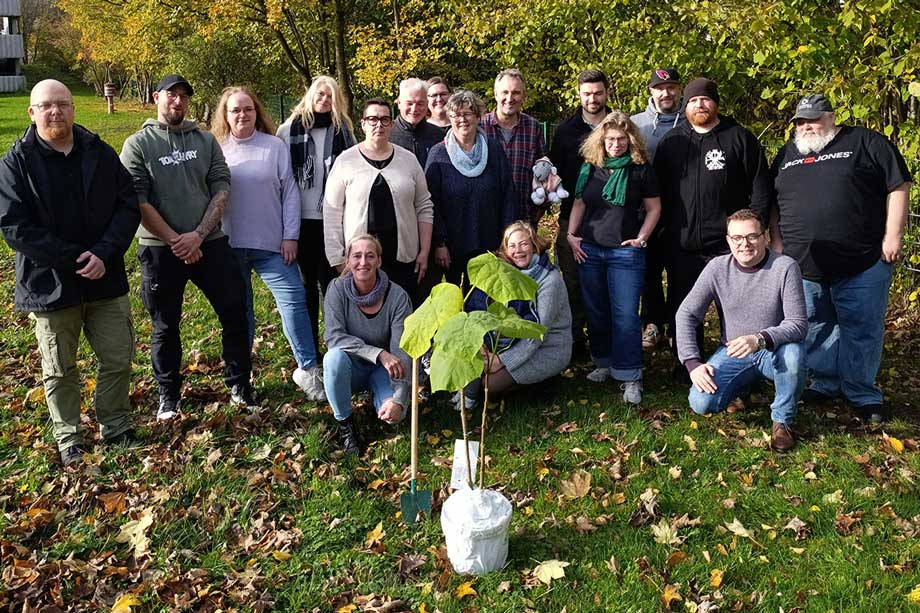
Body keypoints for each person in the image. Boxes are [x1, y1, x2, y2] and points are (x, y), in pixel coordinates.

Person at [0, 79, 141, 466]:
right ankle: (70, 438)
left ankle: (116, 426)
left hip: (105, 279)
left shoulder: (99, 152)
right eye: (46, 105)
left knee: (116, 357)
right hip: (51, 284)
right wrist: (75, 258)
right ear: (32, 112)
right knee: (60, 367)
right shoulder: (16, 163)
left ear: (73, 109)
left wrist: (104, 253)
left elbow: (127, 206)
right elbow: (14, 227)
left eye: (62, 104)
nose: (55, 111)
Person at [771, 94, 912, 423]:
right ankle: (825, 382)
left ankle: (861, 391)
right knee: (817, 327)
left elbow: (898, 185)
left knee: (862, 328)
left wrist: (893, 235)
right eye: (800, 121)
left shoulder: (865, 142)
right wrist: (776, 241)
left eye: (814, 119)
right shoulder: (786, 154)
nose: (807, 126)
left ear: (832, 117)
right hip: (802, 264)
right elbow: (773, 203)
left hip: (862, 261)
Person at [121, 74, 254, 420]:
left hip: (209, 242)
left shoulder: (205, 140)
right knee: (165, 325)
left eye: (183, 96)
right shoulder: (138, 144)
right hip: (160, 250)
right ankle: (168, 395)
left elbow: (221, 186)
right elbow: (137, 199)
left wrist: (197, 234)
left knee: (235, 312)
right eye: (171, 95)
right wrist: (175, 240)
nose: (177, 101)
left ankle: (239, 384)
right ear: (156, 98)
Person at [212, 86, 326, 401]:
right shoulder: (216, 148)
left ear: (256, 111)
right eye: (235, 110)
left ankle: (308, 369)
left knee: (294, 302)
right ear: (225, 114)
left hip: (272, 246)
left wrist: (291, 236)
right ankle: (241, 378)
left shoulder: (273, 146)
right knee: (241, 313)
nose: (242, 115)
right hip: (230, 246)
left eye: (247, 109)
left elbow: (290, 193)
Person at [654, 78, 772, 381]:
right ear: (685, 104)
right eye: (693, 101)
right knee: (685, 308)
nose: (699, 105)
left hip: (728, 246)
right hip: (683, 245)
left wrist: (753, 231)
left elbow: (760, 187)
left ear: (715, 103)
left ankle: (740, 370)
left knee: (734, 311)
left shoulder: (739, 138)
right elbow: (657, 192)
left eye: (705, 100)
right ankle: (687, 366)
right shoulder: (672, 142)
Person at [676, 209, 807, 451]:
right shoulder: (717, 268)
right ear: (728, 240)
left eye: (752, 237)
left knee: (794, 355)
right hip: (734, 351)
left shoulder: (785, 267)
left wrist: (759, 338)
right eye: (737, 238)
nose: (744, 244)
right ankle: (743, 387)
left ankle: (783, 421)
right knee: (700, 402)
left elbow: (798, 324)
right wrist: (692, 363)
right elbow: (686, 313)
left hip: (773, 350)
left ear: (765, 237)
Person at [565, 111, 661, 404]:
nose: (616, 145)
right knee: (596, 310)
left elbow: (655, 208)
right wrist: (571, 235)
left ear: (630, 139)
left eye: (621, 139)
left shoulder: (640, 169)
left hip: (625, 252)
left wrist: (642, 238)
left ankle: (630, 374)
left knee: (625, 315)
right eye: (610, 139)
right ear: (601, 140)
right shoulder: (590, 167)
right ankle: (605, 362)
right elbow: (579, 203)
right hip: (590, 250)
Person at [277, 75, 356, 358]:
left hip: (333, 219)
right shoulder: (288, 130)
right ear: (311, 96)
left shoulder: (344, 131)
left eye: (330, 96)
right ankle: (310, 348)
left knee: (332, 285)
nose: (324, 100)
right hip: (300, 220)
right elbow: (281, 178)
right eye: (320, 94)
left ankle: (337, 345)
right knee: (305, 285)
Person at [323, 98, 434, 297]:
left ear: (391, 124)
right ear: (363, 124)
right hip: (361, 263)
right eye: (372, 119)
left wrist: (424, 252)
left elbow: (424, 206)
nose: (378, 125)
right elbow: (332, 211)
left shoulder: (408, 160)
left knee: (404, 319)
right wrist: (338, 259)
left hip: (403, 259)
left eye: (384, 120)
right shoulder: (345, 161)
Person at [458, 221, 573, 408]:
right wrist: (484, 350)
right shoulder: (505, 273)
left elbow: (537, 334)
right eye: (512, 245)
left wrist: (502, 361)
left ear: (534, 245)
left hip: (548, 348)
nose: (518, 250)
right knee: (477, 372)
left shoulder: (550, 281)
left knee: (490, 385)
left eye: (524, 244)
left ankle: (541, 383)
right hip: (511, 343)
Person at [323, 235, 413, 456]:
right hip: (350, 367)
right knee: (332, 358)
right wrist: (379, 353)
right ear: (348, 260)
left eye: (370, 256)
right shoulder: (336, 289)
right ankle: (346, 424)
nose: (363, 262)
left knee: (396, 418)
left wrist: (400, 399)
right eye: (357, 256)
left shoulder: (398, 297)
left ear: (379, 261)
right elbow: (334, 337)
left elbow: (403, 352)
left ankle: (379, 401)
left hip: (385, 371)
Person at [426, 89, 517, 284]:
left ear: (478, 116)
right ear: (449, 118)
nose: (462, 119)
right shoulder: (438, 154)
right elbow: (431, 203)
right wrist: (439, 243)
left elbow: (508, 194)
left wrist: (506, 239)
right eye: (456, 115)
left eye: (467, 113)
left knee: (486, 302)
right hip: (452, 248)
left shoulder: (493, 150)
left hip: (490, 244)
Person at [549, 69, 610, 362]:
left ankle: (607, 342)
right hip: (569, 220)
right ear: (579, 95)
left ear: (606, 93)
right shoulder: (565, 131)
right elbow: (554, 174)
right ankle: (575, 341)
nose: (593, 98)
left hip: (611, 220)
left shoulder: (618, 125)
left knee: (606, 285)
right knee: (572, 283)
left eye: (598, 92)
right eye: (587, 93)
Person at [630, 68, 686, 351]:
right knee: (647, 272)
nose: (666, 93)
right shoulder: (635, 125)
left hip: (683, 213)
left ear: (679, 89)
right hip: (644, 213)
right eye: (659, 88)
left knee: (679, 272)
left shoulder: (692, 121)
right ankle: (651, 324)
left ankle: (678, 326)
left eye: (671, 87)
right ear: (650, 91)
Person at [479, 69, 546, 224]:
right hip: (487, 220)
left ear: (523, 96)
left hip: (523, 219)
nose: (510, 98)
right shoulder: (480, 127)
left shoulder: (533, 127)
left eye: (516, 93)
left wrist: (538, 212)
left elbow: (543, 172)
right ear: (496, 94)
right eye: (505, 92)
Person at [389, 77, 445, 169]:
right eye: (409, 103)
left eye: (420, 104)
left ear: (427, 104)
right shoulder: (386, 134)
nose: (414, 109)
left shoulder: (439, 136)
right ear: (399, 103)